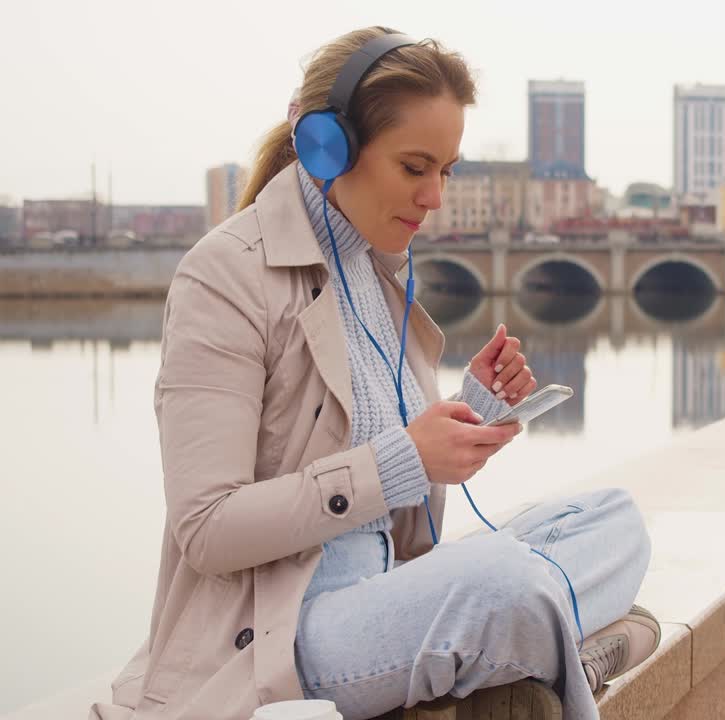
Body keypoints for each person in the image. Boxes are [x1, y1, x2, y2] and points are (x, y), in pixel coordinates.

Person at [90, 27, 655, 720]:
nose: (435, 196)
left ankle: (537, 646)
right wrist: (403, 461)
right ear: (328, 147)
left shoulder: (374, 267)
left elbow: (391, 475)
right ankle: (563, 652)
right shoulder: (224, 276)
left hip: (389, 588)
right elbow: (207, 529)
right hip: (285, 632)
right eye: (415, 167)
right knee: (505, 585)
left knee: (614, 521)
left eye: (447, 171)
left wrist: (471, 410)